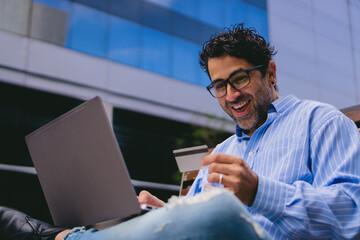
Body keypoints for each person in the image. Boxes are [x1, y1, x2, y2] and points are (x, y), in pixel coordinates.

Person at [1, 23, 360, 240]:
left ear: (270, 73)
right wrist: (163, 214)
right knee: (190, 213)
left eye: (240, 79)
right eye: (219, 86)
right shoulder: (221, 153)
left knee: (219, 214)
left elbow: (352, 215)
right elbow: (191, 217)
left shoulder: (322, 122)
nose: (231, 96)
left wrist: (261, 192)